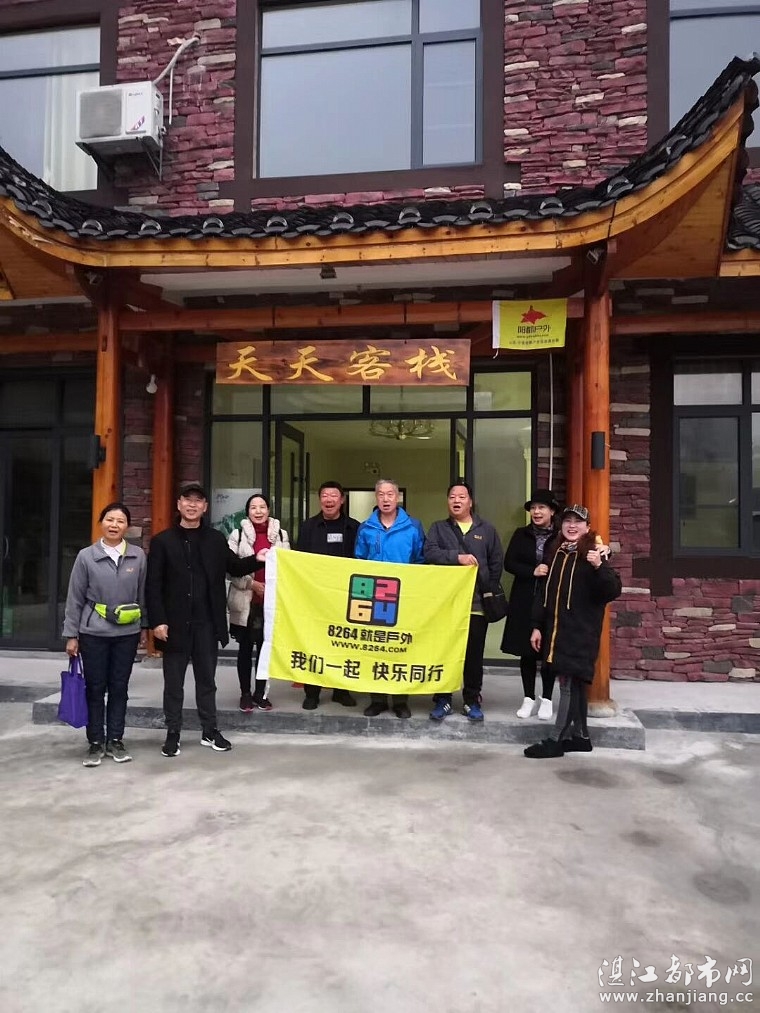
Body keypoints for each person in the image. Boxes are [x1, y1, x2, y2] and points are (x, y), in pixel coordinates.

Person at [146, 482, 261, 757]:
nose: (192, 505)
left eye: (198, 501)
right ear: (179, 504)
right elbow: (153, 586)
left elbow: (235, 567)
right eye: (187, 500)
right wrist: (157, 621)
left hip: (207, 623)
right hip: (173, 625)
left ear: (205, 507)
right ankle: (173, 733)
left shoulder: (215, 539)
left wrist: (259, 558)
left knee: (207, 682)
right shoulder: (162, 541)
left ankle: (210, 731)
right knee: (174, 684)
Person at [524, 504, 621, 759]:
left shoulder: (594, 554)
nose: (572, 526)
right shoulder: (557, 552)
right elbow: (544, 594)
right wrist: (537, 626)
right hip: (557, 632)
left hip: (581, 633)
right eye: (567, 521)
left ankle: (556, 740)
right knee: (575, 685)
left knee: (567, 683)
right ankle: (580, 737)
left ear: (587, 527)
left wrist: (600, 566)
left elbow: (611, 591)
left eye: (578, 522)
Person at [62, 502, 148, 767]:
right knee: (96, 688)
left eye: (120, 521)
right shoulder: (86, 556)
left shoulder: (137, 556)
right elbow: (75, 598)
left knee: (120, 687)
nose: (114, 525)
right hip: (93, 633)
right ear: (101, 523)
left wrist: (144, 627)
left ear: (127, 526)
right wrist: (71, 634)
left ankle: (116, 740)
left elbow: (142, 594)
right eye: (110, 520)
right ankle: (96, 742)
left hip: (127, 633)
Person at [424, 481, 503, 722]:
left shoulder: (486, 530)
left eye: (461, 496)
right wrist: (456, 557)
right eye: (452, 497)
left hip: (476, 605)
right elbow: (429, 553)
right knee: (444, 652)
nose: (456, 500)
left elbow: (496, 563)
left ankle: (471, 699)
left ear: (470, 501)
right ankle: (443, 698)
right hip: (446, 604)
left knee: (473, 655)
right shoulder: (438, 528)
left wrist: (486, 588)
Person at [354, 478, 425, 719]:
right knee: (375, 646)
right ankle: (377, 699)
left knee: (400, 647)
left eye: (390, 494)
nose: (386, 499)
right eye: (381, 494)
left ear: (398, 497)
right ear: (376, 498)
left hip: (402, 595)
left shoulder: (413, 526)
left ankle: (401, 700)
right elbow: (359, 561)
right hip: (374, 597)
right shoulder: (366, 528)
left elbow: (420, 561)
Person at [297, 481, 359, 711]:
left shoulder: (354, 527)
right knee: (313, 643)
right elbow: (299, 561)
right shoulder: (308, 527)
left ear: (342, 500)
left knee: (343, 644)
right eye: (325, 495)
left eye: (334, 495)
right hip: (314, 597)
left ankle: (341, 691)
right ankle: (312, 692)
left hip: (345, 597)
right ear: (320, 499)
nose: (329, 499)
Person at [227, 493, 290, 713]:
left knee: (266, 650)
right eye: (253, 507)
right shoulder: (237, 534)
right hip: (246, 601)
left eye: (262, 507)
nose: (258, 511)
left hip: (271, 602)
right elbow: (230, 568)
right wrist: (252, 584)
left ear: (269, 510)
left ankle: (261, 693)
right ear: (247, 512)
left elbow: (288, 566)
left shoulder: (281, 534)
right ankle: (245, 694)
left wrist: (273, 587)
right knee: (245, 650)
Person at [501, 489, 560, 721]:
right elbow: (509, 563)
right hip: (524, 598)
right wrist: (532, 571)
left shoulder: (560, 536)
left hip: (551, 599)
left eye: (541, 507)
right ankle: (528, 697)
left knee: (548, 651)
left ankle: (547, 698)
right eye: (533, 508)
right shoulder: (521, 534)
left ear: (552, 511)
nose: (536, 512)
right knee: (526, 651)